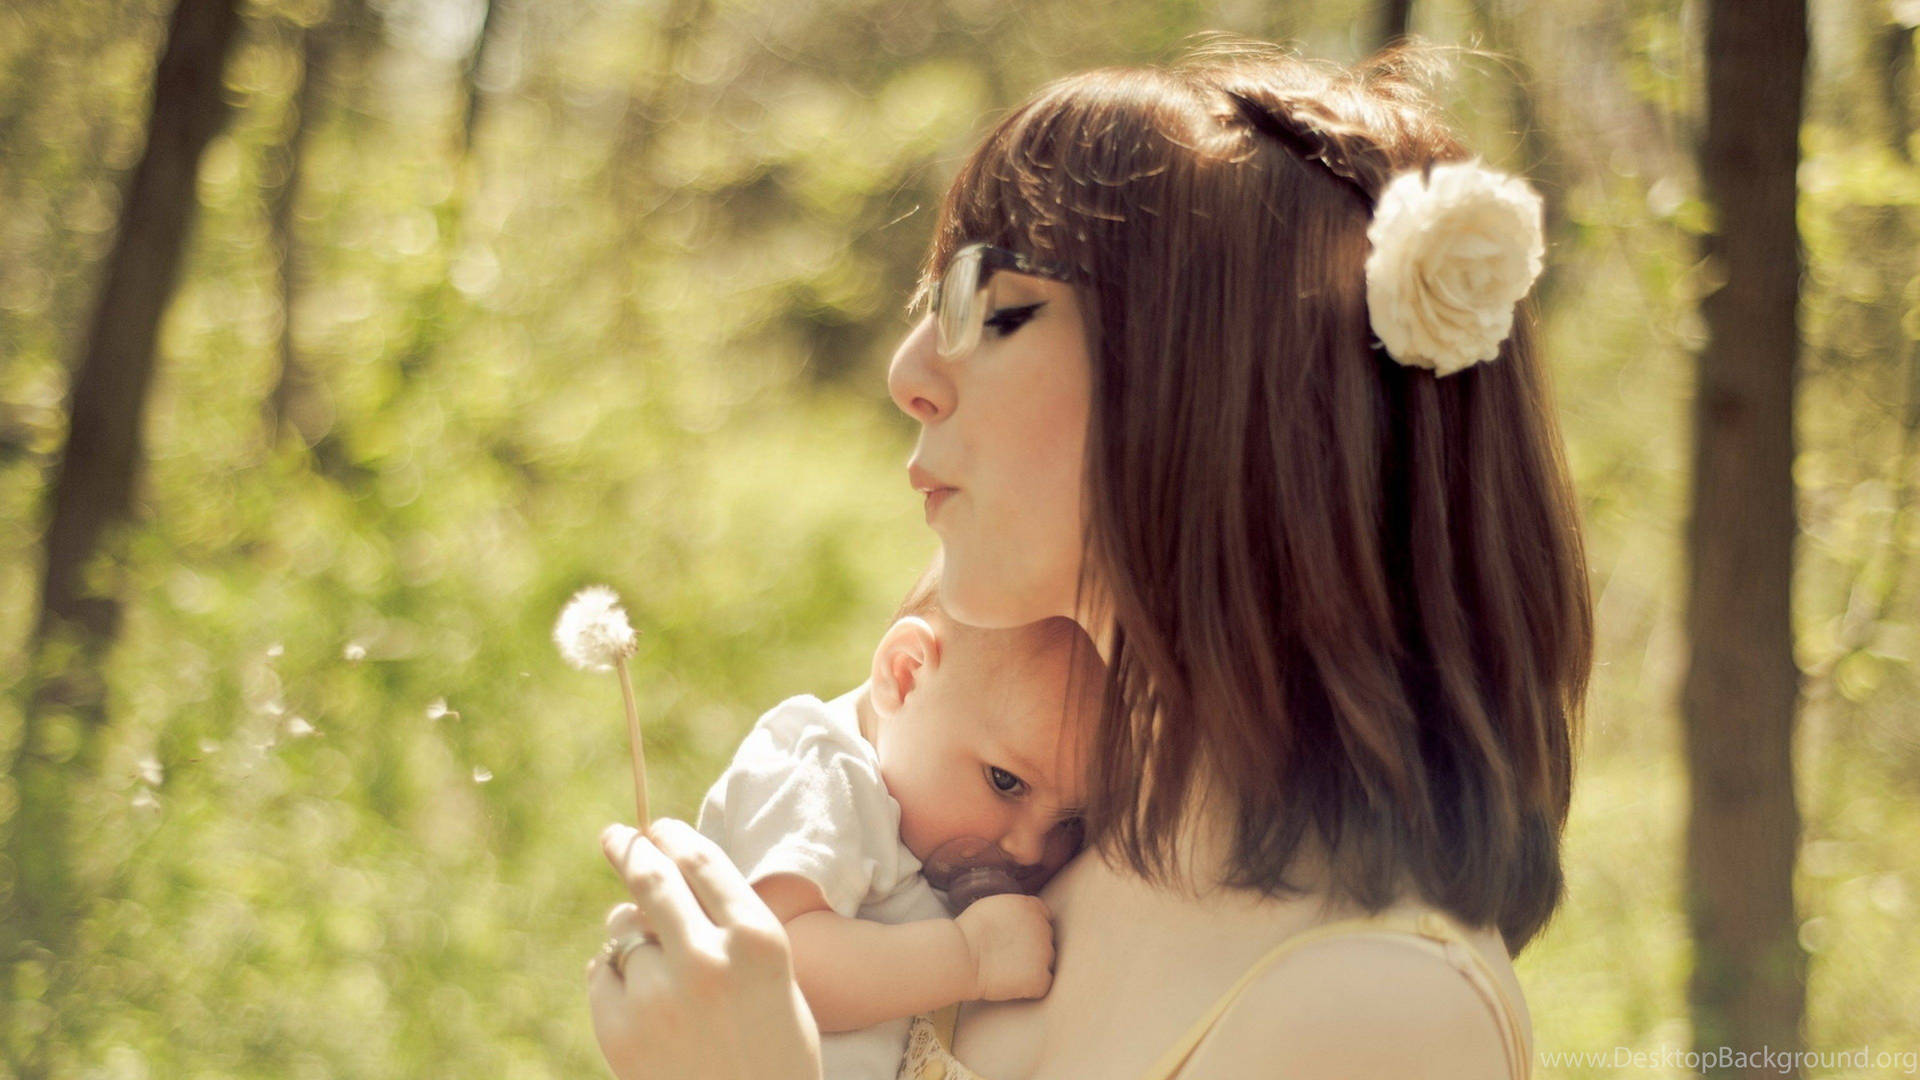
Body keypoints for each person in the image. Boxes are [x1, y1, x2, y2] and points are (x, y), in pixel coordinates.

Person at [587, 34, 1592, 1080]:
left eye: (999, 306)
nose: (911, 373)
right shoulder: (1031, 852)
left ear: (1217, 403)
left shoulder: (1389, 1014)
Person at [672, 565, 1099, 1079]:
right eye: (1006, 782)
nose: (1031, 848)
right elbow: (777, 963)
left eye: (1071, 819)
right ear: (905, 677)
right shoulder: (821, 774)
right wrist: (968, 957)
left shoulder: (932, 806)